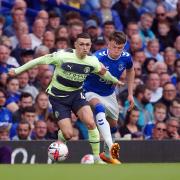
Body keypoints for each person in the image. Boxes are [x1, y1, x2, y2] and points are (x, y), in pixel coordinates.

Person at [8, 32, 123, 164]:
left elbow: (103, 73)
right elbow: (39, 60)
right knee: (69, 134)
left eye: (87, 45)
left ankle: (97, 159)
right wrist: (17, 70)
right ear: (75, 45)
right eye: (81, 44)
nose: (84, 47)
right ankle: (61, 139)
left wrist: (115, 80)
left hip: (76, 95)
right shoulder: (62, 56)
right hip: (58, 98)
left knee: (91, 123)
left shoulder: (92, 61)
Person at [84, 31, 135, 164]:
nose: (117, 50)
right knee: (99, 108)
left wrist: (130, 94)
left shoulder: (126, 57)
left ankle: (107, 155)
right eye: (114, 47)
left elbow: (131, 70)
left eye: (120, 48)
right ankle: (111, 147)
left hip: (109, 93)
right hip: (91, 91)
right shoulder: (97, 57)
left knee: (113, 125)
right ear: (108, 44)